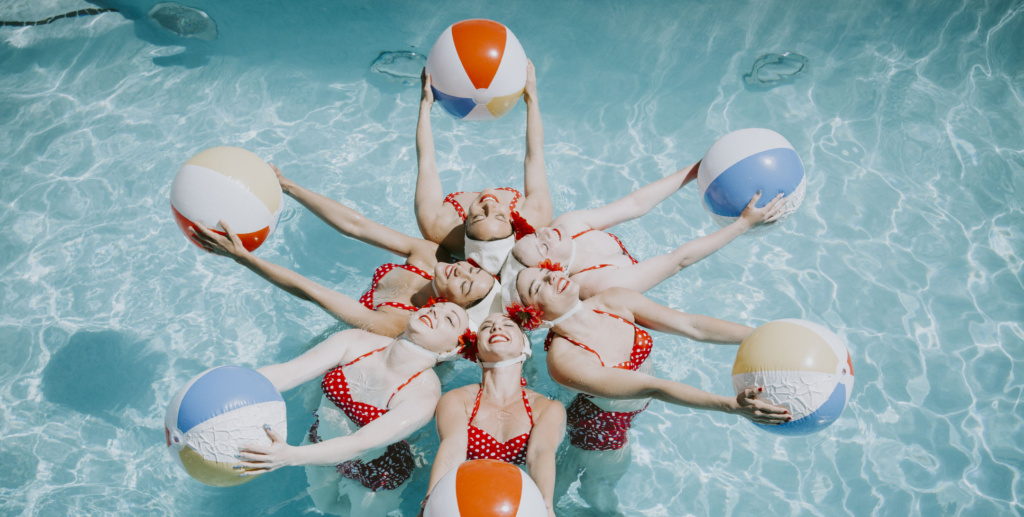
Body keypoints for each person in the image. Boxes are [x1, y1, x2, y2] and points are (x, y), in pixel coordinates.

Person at [503, 267, 790, 517]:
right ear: (535, 317)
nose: (550, 277)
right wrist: (731, 406)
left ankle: (542, 515)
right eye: (537, 288)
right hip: (601, 429)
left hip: (622, 409)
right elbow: (653, 387)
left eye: (545, 271)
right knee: (599, 487)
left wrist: (761, 337)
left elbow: (692, 325)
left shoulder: (613, 301)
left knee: (561, 478)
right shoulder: (564, 359)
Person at [236, 301, 473, 517]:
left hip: (376, 472)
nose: (435, 313)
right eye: (435, 307)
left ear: (453, 350)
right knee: (324, 503)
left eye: (450, 319)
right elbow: (289, 371)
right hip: (319, 443)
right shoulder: (355, 341)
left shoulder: (424, 395)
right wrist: (238, 386)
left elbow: (360, 444)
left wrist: (289, 456)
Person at [191, 166, 503, 337]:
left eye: (465, 284)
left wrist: (243, 258)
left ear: (456, 307)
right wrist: (288, 186)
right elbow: (356, 226)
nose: (461, 269)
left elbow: (312, 292)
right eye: (472, 269)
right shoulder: (431, 256)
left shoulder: (399, 323)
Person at [504, 166, 787, 299]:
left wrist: (697, 170)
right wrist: (742, 225)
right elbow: (677, 261)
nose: (546, 233)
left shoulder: (566, 226)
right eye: (542, 246)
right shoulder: (597, 284)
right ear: (553, 270)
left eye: (535, 234)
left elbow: (635, 204)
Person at [420, 312, 565, 517]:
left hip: (515, 502)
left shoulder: (547, 408)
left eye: (508, 325)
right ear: (476, 350)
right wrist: (430, 500)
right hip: (469, 497)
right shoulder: (457, 400)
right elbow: (453, 448)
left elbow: (539, 454)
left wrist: (545, 504)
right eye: (487, 327)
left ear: (525, 346)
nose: (497, 328)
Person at [414, 62, 553, 274]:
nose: (489, 203)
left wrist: (425, 104)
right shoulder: (535, 214)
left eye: (478, 216)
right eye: (499, 216)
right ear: (513, 225)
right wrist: (531, 98)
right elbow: (534, 156)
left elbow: (427, 164)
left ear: (465, 228)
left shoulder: (437, 225)